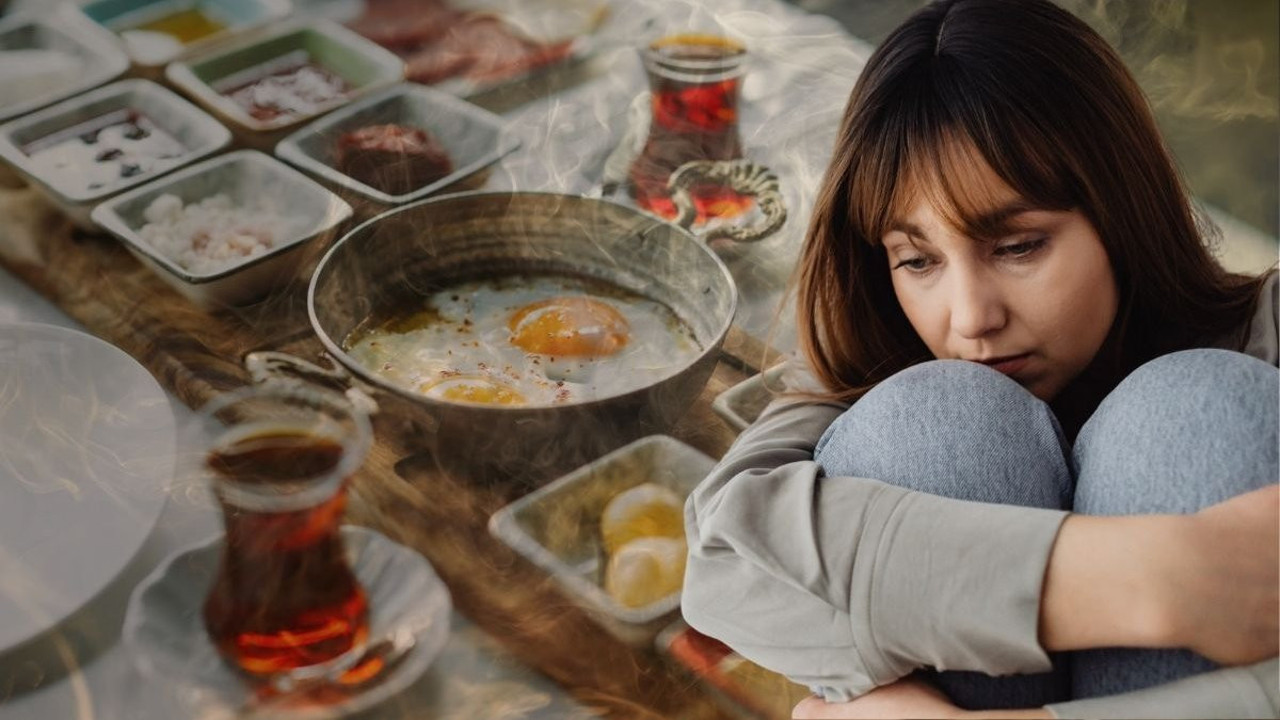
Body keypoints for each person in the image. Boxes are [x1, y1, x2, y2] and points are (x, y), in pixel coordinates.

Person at [680, 0, 1280, 717]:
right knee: (938, 418)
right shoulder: (881, 367)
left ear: (1124, 210)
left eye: (1018, 246)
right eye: (917, 260)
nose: (969, 318)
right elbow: (723, 565)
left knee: (1195, 407)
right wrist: (1157, 577)